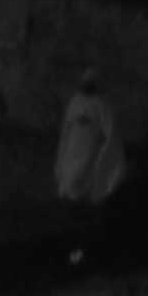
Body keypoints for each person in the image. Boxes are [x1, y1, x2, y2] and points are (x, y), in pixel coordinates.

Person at [53, 71, 125, 206]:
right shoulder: (76, 101)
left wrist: (104, 147)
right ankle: (68, 202)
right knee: (69, 179)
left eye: (90, 83)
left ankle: (81, 204)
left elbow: (110, 131)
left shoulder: (102, 105)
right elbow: (67, 126)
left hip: (89, 149)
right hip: (72, 148)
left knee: (81, 178)